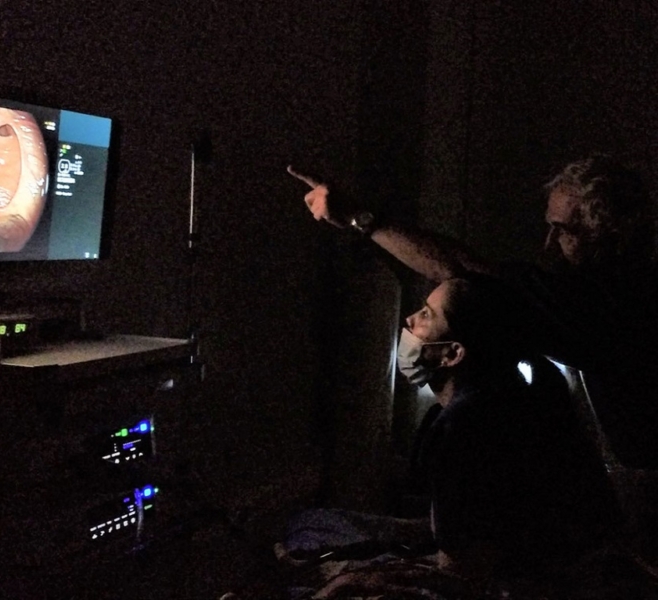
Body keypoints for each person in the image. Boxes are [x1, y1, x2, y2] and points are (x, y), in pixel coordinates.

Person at [289, 155, 658, 471]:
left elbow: (462, 268)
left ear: (606, 235)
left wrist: (359, 217)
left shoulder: (605, 306)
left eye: (562, 231)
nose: (549, 245)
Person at [277, 275, 632, 599]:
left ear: (453, 353)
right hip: (578, 577)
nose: (410, 321)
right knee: (312, 526)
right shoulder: (509, 400)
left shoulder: (466, 429)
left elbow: (464, 578)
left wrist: (345, 584)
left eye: (426, 315)